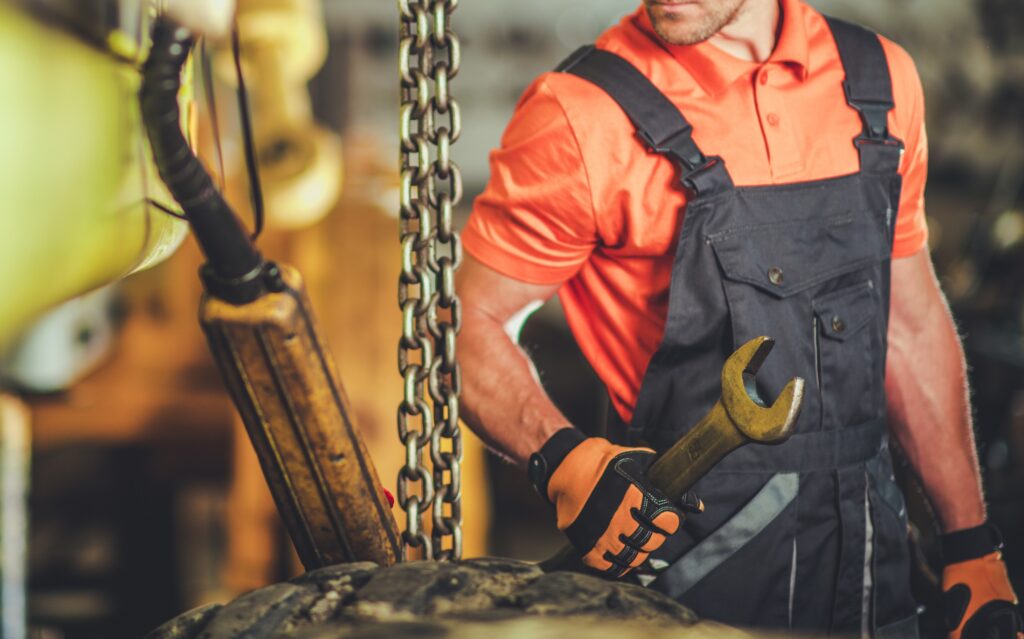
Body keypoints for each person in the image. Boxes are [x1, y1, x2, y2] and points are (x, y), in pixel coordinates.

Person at [456, 0, 1022, 636]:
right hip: (683, 587)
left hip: (873, 571)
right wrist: (560, 456)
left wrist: (970, 540)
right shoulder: (582, 113)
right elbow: (468, 322)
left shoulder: (881, 84)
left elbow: (910, 327)